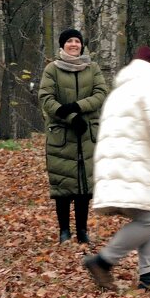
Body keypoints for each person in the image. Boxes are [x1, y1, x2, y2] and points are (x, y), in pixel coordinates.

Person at [83, 47, 150, 294]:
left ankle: (148, 274)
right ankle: (103, 261)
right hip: (135, 166)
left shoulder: (121, 91)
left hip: (118, 165)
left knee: (149, 214)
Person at [38, 28, 109, 246]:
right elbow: (46, 98)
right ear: (62, 45)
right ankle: (64, 231)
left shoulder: (92, 67)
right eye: (69, 41)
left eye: (77, 41)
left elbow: (100, 93)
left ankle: (82, 231)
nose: (74, 44)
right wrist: (70, 116)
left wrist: (78, 107)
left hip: (87, 135)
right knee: (62, 186)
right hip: (62, 135)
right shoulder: (52, 69)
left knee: (83, 187)